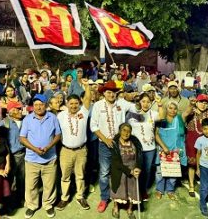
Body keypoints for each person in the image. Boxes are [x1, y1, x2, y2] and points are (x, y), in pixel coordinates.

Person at [90, 80, 133, 213]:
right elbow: (94, 126)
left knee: (120, 171)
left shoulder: (121, 104)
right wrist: (106, 139)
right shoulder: (98, 105)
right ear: (104, 93)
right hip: (104, 144)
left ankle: (120, 197)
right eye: (108, 92)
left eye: (113, 92)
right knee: (104, 173)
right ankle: (104, 198)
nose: (111, 95)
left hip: (120, 144)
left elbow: (136, 107)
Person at [19, 93, 61, 218]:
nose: (38, 107)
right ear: (33, 106)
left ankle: (48, 205)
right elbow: (22, 138)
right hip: (32, 159)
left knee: (49, 185)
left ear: (46, 105)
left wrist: (48, 146)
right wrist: (34, 149)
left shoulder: (52, 117)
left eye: (41, 105)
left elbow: (58, 135)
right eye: (36, 105)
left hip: (50, 158)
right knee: (31, 185)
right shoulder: (27, 119)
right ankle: (32, 206)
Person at [55, 79, 91, 211]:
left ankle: (80, 196)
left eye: (76, 103)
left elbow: (88, 98)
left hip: (81, 150)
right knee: (65, 176)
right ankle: (64, 198)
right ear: (67, 104)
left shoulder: (83, 112)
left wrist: (87, 86)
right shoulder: (60, 115)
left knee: (80, 175)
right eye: (71, 103)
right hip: (66, 151)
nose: (74, 106)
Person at [126, 92, 163, 201]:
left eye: (148, 102)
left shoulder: (153, 113)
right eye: (143, 101)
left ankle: (143, 191)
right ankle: (133, 192)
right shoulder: (132, 114)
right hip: (135, 148)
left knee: (146, 171)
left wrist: (160, 104)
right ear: (139, 102)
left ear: (151, 103)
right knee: (134, 170)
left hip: (150, 148)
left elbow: (162, 116)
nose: (145, 104)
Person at [154, 101, 188, 200]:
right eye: (170, 108)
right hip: (162, 149)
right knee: (160, 172)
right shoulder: (161, 120)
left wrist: (192, 104)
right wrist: (164, 147)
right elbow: (156, 135)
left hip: (175, 151)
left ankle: (170, 190)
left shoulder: (179, 119)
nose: (172, 110)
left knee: (173, 172)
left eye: (175, 108)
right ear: (166, 109)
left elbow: (188, 111)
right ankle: (159, 190)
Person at [110, 123, 142, 219]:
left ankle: (130, 209)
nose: (126, 133)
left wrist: (137, 168)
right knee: (118, 189)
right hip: (119, 170)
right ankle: (115, 207)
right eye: (124, 130)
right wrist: (129, 171)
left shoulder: (135, 143)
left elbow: (139, 157)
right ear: (120, 131)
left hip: (133, 170)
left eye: (129, 131)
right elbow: (116, 162)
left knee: (132, 190)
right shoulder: (114, 143)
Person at [0, 101, 26, 209]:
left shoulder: (25, 121)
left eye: (20, 109)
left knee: (22, 179)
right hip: (10, 157)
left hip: (24, 154)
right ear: (11, 111)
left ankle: (21, 200)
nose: (20, 111)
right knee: (9, 181)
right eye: (18, 109)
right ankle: (8, 203)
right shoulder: (4, 123)